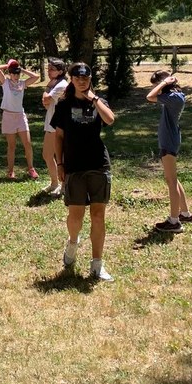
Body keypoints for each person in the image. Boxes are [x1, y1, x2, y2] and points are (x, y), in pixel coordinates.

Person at [53, 62, 116, 282]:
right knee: (75, 215)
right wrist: (59, 165)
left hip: (98, 164)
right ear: (71, 79)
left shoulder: (99, 102)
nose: (82, 81)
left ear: (90, 79)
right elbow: (58, 137)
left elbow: (110, 119)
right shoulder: (63, 105)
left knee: (98, 215)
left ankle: (97, 265)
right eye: (78, 78)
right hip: (74, 165)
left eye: (86, 78)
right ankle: (72, 242)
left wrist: (95, 99)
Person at [147, 70, 192, 233]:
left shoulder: (174, 98)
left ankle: (174, 221)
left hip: (169, 140)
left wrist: (164, 82)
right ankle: (185, 214)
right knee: (172, 178)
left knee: (171, 181)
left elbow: (149, 97)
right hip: (170, 138)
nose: (157, 88)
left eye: (157, 85)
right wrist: (164, 83)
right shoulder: (174, 97)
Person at [0, 59, 40, 180]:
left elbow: (36, 76)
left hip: (20, 116)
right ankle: (10, 171)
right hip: (8, 116)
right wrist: (9, 65)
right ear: (9, 73)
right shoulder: (5, 82)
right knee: (11, 146)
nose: (15, 75)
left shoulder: (23, 83)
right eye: (13, 73)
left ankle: (31, 169)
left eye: (17, 73)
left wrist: (22, 69)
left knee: (28, 144)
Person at [41, 58, 69, 196]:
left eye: (52, 69)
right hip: (50, 123)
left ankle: (63, 185)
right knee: (47, 155)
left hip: (59, 126)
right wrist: (47, 92)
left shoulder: (61, 85)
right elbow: (45, 103)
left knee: (61, 157)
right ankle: (54, 183)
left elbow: (46, 100)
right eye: (48, 68)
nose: (49, 71)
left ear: (60, 71)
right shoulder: (55, 84)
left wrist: (47, 88)